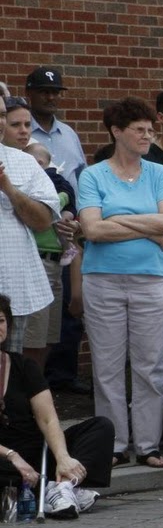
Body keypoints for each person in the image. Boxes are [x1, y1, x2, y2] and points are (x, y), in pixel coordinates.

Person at [77, 97, 163, 468]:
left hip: (152, 281)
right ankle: (115, 444)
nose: (147, 136)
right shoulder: (93, 175)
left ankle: (148, 444)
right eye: (139, 130)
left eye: (151, 130)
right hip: (103, 281)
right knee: (106, 367)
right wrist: (147, 227)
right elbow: (91, 229)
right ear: (117, 131)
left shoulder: (159, 174)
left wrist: (117, 218)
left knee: (151, 366)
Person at [0, 293, 114, 500]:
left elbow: (48, 419)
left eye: (1, 321)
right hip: (4, 458)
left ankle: (61, 487)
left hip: (34, 453)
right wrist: (12, 455)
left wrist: (63, 458)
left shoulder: (24, 366)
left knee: (101, 427)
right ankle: (53, 491)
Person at [0, 126, 62, 357]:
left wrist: (8, 188)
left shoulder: (24, 163)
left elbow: (43, 221)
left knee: (8, 373)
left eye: (3, 115)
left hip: (11, 290)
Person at [25, 67, 87, 192]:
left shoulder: (69, 134)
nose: (51, 97)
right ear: (28, 93)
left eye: (55, 92)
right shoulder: (19, 133)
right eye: (44, 92)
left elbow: (83, 177)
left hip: (74, 209)